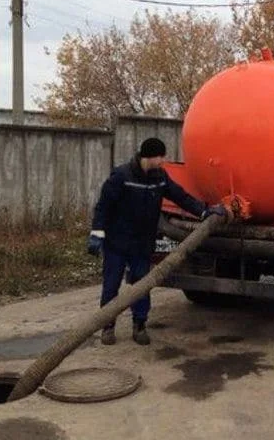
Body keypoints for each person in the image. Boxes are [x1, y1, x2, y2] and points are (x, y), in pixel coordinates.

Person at [87, 137, 227, 346]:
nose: (163, 160)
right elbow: (103, 207)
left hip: (142, 244)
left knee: (142, 286)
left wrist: (204, 211)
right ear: (148, 156)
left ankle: (139, 325)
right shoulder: (122, 176)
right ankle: (107, 326)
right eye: (160, 156)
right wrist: (97, 233)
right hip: (118, 243)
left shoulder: (160, 178)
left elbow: (180, 197)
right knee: (111, 285)